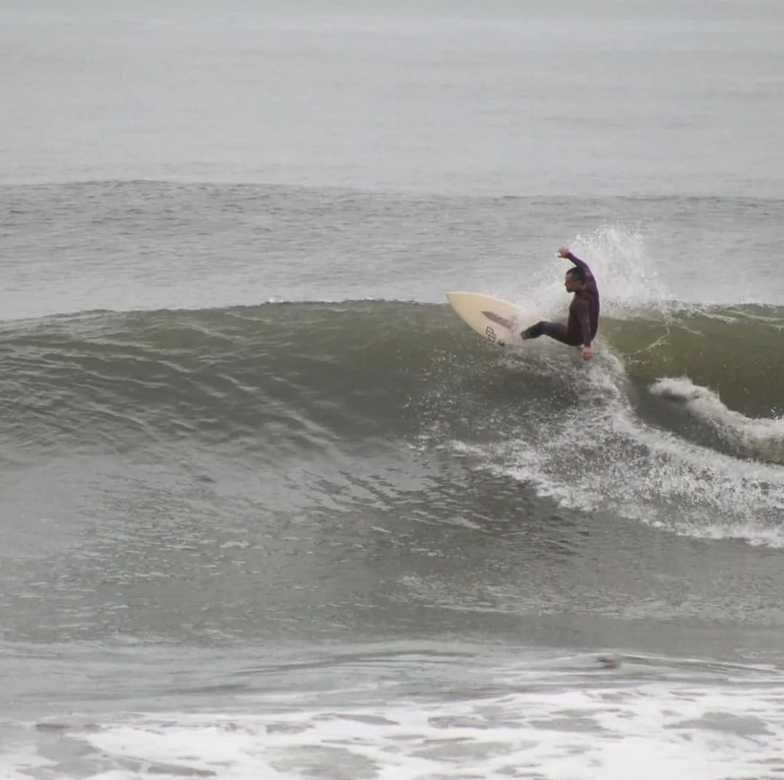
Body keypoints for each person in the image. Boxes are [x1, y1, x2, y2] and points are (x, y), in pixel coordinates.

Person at [521, 247, 599, 361]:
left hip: (574, 338)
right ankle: (581, 344)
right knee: (562, 320)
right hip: (592, 334)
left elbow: (585, 323)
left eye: (568, 282)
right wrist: (569, 255)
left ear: (577, 282)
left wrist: (587, 347)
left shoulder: (580, 302)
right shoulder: (590, 283)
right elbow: (585, 266)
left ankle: (520, 337)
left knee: (543, 326)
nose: (565, 284)